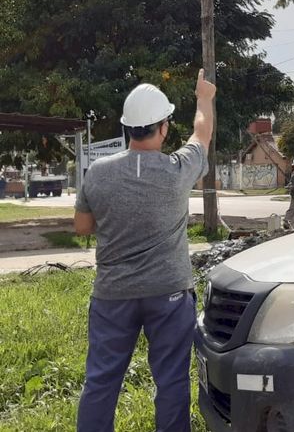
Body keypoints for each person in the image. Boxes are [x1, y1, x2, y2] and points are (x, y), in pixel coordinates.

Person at [74, 69, 216, 432]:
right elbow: (202, 133)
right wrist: (204, 98)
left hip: (112, 295)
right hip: (168, 293)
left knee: (102, 380)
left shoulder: (97, 173)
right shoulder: (178, 169)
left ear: (127, 128)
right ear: (164, 126)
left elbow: (82, 228)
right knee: (170, 381)